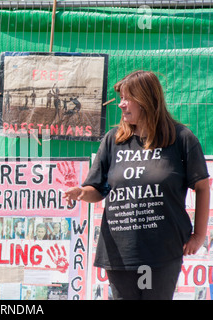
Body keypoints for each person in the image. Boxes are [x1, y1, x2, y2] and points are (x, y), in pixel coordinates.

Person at [64, 70, 210, 300]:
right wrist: (82, 192)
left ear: (146, 100)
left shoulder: (181, 138)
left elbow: (202, 186)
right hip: (119, 253)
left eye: (126, 99)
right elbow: (97, 189)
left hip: (162, 250)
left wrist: (199, 235)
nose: (121, 105)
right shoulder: (113, 140)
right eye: (120, 98)